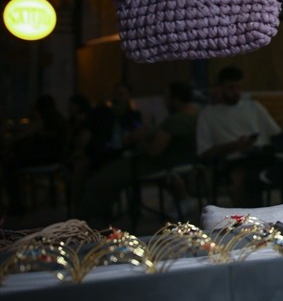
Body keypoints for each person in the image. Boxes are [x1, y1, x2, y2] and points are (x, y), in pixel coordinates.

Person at [77, 81, 199, 228]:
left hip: (153, 164)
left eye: (166, 98)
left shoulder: (175, 121)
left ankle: (87, 220)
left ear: (176, 100)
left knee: (104, 178)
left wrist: (141, 139)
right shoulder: (195, 117)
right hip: (174, 162)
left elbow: (154, 150)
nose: (165, 103)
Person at [196, 66, 281, 207]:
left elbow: (276, 133)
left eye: (239, 87)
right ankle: (245, 219)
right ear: (220, 88)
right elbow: (204, 152)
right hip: (233, 160)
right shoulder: (208, 114)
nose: (236, 92)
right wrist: (236, 145)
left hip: (261, 155)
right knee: (240, 177)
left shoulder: (253, 107)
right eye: (231, 88)